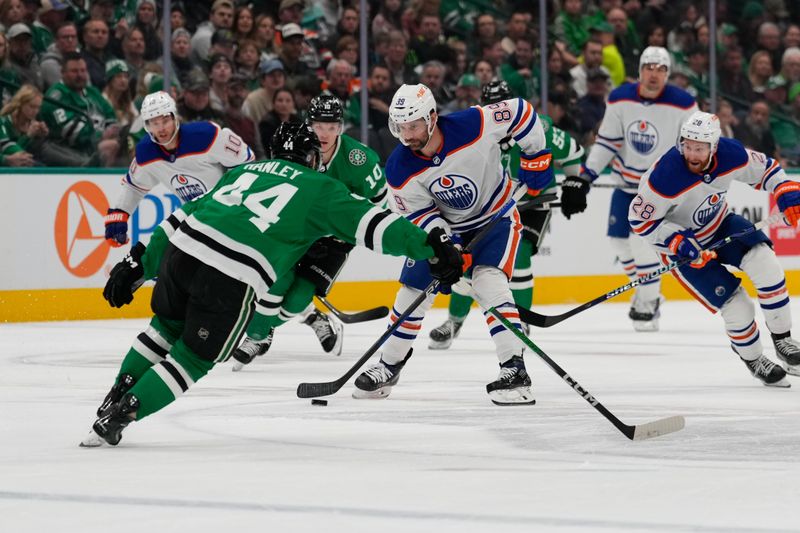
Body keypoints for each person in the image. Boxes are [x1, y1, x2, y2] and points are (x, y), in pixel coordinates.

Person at [80, 121, 463, 447]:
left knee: (163, 329)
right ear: (310, 155)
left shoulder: (241, 172)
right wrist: (432, 247)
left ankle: (116, 393)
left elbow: (183, 217)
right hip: (229, 276)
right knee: (193, 357)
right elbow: (378, 227)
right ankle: (124, 413)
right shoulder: (319, 187)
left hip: (181, 257)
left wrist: (138, 263)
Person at [352, 82, 554, 405]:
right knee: (412, 289)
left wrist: (536, 155)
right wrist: (444, 246)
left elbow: (521, 111)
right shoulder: (399, 167)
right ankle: (388, 365)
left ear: (432, 117)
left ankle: (514, 369)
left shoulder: (473, 124)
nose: (407, 135)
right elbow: (420, 213)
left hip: (496, 217)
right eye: (401, 127)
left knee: (490, 282)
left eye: (414, 125)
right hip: (449, 229)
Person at [629, 111, 800, 386]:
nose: (692, 154)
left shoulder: (730, 154)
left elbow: (767, 169)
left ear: (714, 146)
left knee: (766, 264)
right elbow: (640, 221)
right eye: (688, 146)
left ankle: (783, 339)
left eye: (699, 148)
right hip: (683, 248)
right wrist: (677, 241)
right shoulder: (663, 177)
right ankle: (753, 358)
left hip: (721, 224)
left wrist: (785, 190)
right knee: (738, 306)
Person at [232, 94, 387, 367]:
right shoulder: (297, 149)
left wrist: (346, 231)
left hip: (335, 241)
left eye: (331, 127)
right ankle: (257, 334)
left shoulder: (358, 159)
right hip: (296, 232)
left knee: (297, 298)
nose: (324, 133)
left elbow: (380, 202)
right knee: (274, 283)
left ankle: (306, 316)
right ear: (308, 124)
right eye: (318, 126)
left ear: (340, 127)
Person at [428, 81, 585, 349]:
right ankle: (454, 322)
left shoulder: (538, 126)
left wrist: (575, 184)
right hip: (491, 209)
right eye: (490, 106)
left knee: (521, 255)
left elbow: (573, 153)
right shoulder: (473, 132)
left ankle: (520, 324)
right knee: (466, 264)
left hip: (532, 206)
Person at [560, 46, 698, 332]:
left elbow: (692, 146)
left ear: (668, 74)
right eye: (649, 67)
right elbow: (608, 141)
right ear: (640, 70)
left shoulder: (684, 104)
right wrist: (586, 176)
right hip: (626, 185)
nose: (654, 74)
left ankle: (647, 303)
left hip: (661, 190)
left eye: (661, 69)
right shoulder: (620, 98)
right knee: (618, 241)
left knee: (640, 242)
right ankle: (650, 290)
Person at [103, 91, 254, 248]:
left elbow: (245, 162)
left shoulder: (205, 135)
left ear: (175, 118)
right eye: (154, 123)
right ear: (147, 126)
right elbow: (134, 187)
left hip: (231, 214)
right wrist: (119, 213)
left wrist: (233, 201)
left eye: (165, 120)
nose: (161, 128)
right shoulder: (146, 153)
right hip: (196, 220)